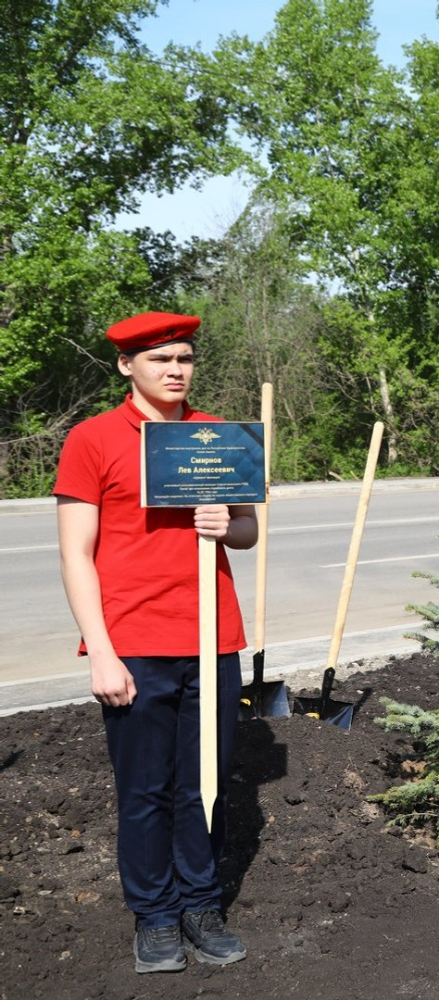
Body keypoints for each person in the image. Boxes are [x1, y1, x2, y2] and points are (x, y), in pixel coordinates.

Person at [54, 313, 256, 973]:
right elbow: (76, 555)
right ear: (126, 366)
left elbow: (249, 534)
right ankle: (157, 916)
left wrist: (227, 524)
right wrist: (101, 651)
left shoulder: (217, 437)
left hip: (211, 638)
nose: (175, 370)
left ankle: (200, 904)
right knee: (144, 789)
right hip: (133, 643)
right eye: (160, 358)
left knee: (205, 783)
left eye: (185, 359)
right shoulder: (92, 440)